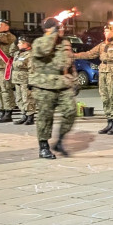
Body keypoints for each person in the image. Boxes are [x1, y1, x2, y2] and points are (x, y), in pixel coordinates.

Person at [30, 17, 77, 159]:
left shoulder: (65, 43)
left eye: (61, 27)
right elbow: (43, 51)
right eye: (58, 27)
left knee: (71, 111)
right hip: (45, 84)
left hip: (63, 83)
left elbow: (70, 62)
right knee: (45, 117)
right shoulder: (39, 42)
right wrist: (53, 35)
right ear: (48, 29)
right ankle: (43, 146)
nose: (61, 30)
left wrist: (75, 81)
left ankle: (60, 140)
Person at [74, 24, 113, 135]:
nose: (105, 33)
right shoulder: (102, 45)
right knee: (104, 97)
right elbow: (90, 54)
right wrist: (74, 55)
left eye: (108, 31)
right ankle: (109, 121)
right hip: (103, 72)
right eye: (105, 31)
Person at [11, 36, 35, 125]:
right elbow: (10, 51)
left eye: (20, 43)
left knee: (27, 99)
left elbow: (32, 69)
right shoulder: (18, 53)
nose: (18, 44)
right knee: (19, 99)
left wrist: (31, 81)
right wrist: (14, 43)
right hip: (17, 80)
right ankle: (24, 115)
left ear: (26, 44)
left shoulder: (30, 55)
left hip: (25, 80)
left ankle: (30, 116)